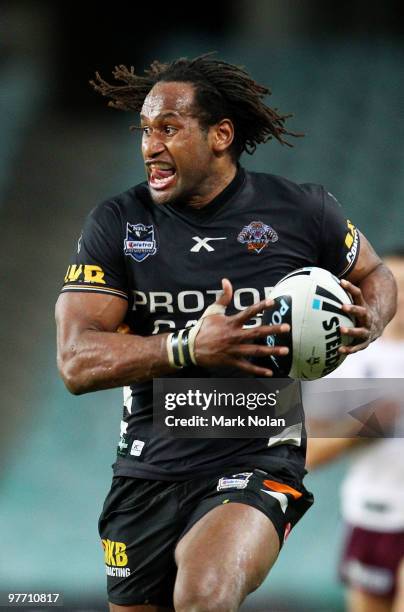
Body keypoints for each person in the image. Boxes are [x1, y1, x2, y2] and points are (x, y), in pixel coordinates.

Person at [55, 55, 397, 612]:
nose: (149, 146)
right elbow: (74, 362)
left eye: (168, 128)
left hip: (257, 457)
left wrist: (371, 320)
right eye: (145, 130)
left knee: (205, 593)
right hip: (147, 469)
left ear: (220, 135)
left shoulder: (303, 210)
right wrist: (188, 346)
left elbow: (374, 274)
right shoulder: (116, 223)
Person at [306, 253, 404, 612]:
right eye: (393, 285)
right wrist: (367, 423)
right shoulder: (351, 358)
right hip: (367, 516)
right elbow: (309, 453)